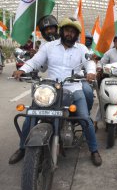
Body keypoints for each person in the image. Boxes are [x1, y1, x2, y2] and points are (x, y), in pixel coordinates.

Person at [10, 17, 102, 166]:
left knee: (85, 119)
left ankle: (94, 150)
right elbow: (35, 61)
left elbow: (89, 62)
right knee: (29, 117)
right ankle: (22, 148)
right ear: (62, 31)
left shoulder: (82, 49)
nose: (69, 34)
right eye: (67, 30)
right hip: (50, 89)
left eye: (73, 31)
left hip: (73, 88)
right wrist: (22, 69)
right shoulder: (48, 46)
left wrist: (91, 72)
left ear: (77, 34)